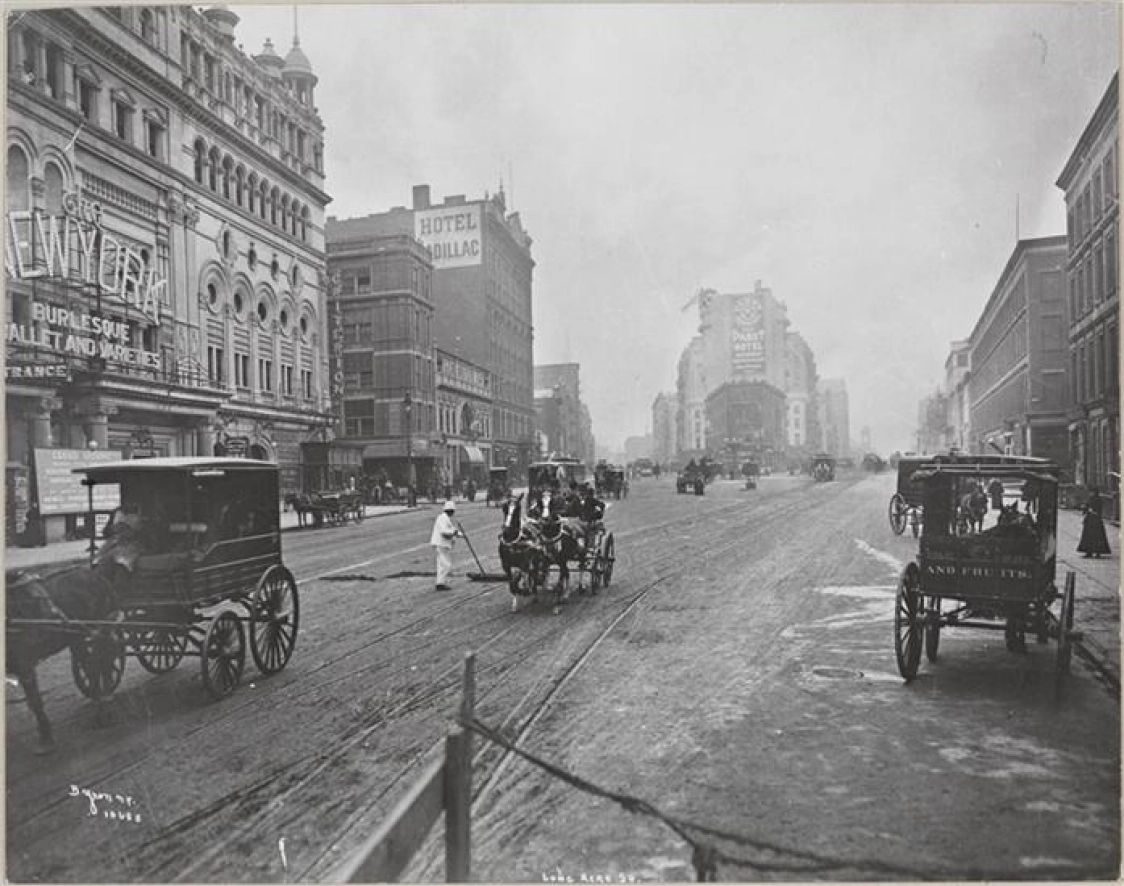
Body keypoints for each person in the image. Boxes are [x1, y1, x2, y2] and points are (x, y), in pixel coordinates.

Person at [430, 501, 463, 590]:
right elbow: (444, 532)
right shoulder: (442, 518)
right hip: (441, 544)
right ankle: (440, 583)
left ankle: (440, 582)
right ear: (450, 510)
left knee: (442, 564)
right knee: (446, 564)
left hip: (443, 545)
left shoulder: (446, 519)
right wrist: (454, 532)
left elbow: (451, 529)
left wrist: (460, 534)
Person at [1077, 487, 1112, 558]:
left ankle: (1098, 552)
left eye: (1092, 492)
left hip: (1096, 520)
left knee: (1097, 536)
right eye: (1090, 492)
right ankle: (1088, 551)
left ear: (1095, 492)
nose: (1090, 493)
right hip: (1089, 519)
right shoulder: (1090, 499)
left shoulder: (1098, 500)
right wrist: (1085, 509)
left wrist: (1092, 511)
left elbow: (1099, 510)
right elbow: (1086, 506)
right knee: (1088, 536)